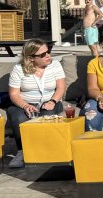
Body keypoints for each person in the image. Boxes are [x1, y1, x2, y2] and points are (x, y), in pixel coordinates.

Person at [5, 39, 67, 168]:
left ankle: (46, 152)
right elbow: (14, 94)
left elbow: (61, 88)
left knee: (48, 114)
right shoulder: (18, 69)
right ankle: (22, 152)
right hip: (26, 102)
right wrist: (25, 105)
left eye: (48, 51)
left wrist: (52, 101)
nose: (48, 56)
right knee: (19, 117)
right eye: (43, 54)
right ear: (31, 58)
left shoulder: (55, 65)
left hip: (50, 101)